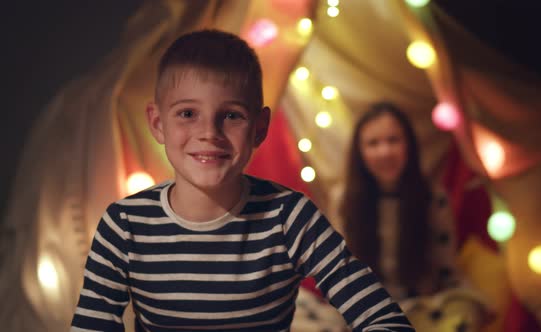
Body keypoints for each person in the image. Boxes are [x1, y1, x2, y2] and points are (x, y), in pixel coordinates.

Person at [70, 30, 414, 331]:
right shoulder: (124, 226)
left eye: (231, 115)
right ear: (158, 123)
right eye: (188, 114)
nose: (209, 133)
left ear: (259, 128)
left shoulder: (290, 217)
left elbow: (385, 320)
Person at [336, 102, 461, 301]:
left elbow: (446, 272)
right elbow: (340, 274)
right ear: (359, 152)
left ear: (408, 145)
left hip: (421, 307)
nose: (384, 152)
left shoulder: (433, 198)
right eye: (373, 143)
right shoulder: (343, 199)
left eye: (393, 140)